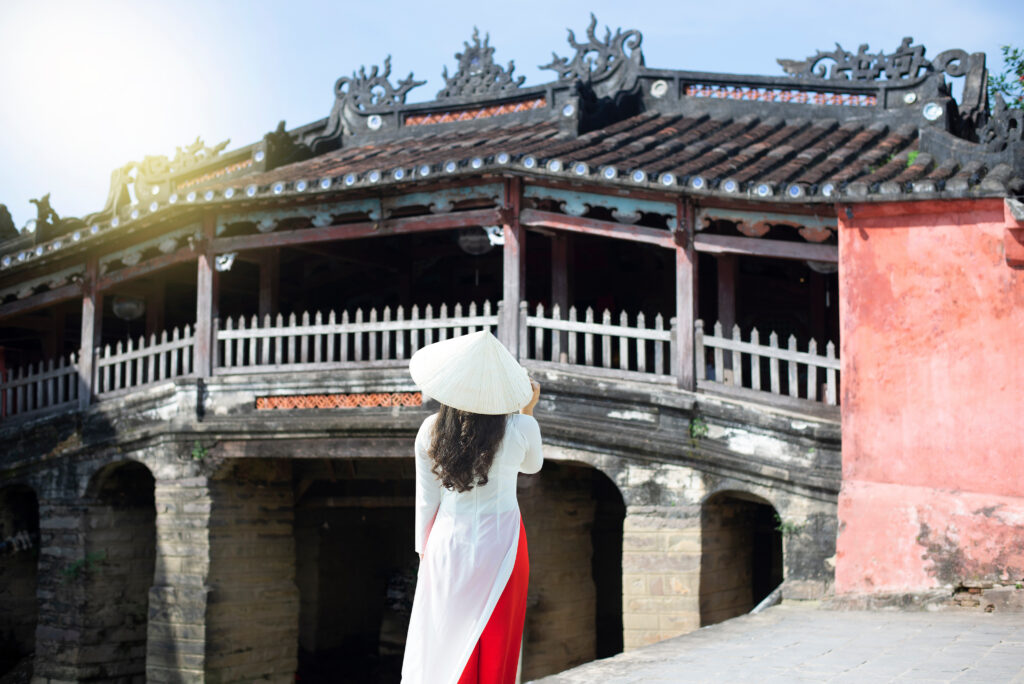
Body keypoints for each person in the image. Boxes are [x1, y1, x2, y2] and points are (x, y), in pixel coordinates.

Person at [402, 330, 543, 684]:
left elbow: (427, 497)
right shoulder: (521, 426)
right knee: (498, 638)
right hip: (503, 543)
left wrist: (424, 552)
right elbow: (532, 466)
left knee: (447, 639)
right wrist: (526, 410)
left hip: (447, 544)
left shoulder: (429, 430)